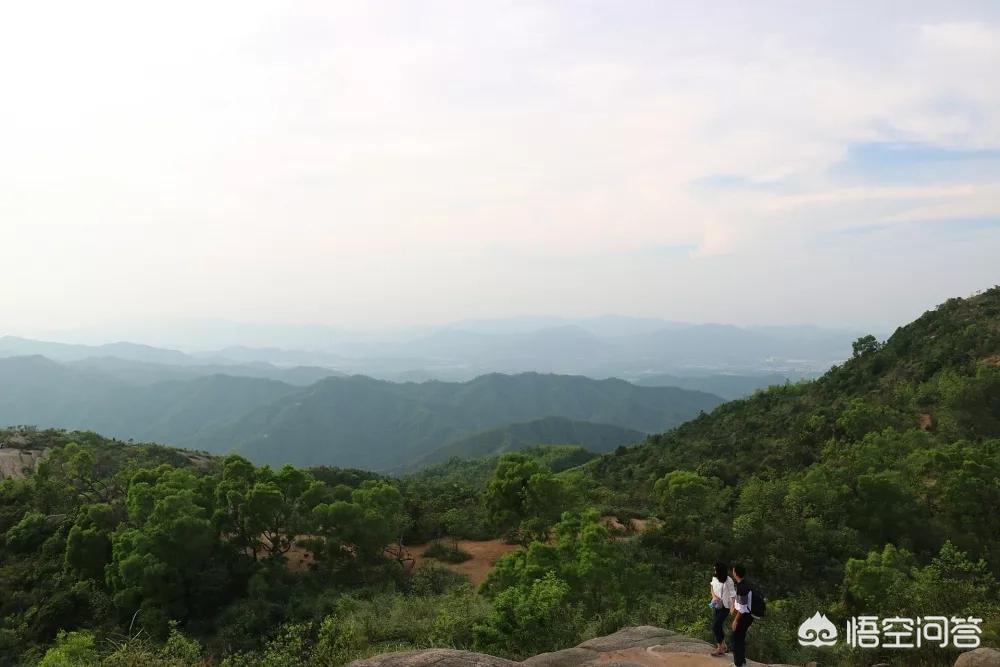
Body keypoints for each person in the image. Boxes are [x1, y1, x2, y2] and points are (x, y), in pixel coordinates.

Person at [730, 564, 754, 667]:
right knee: (740, 638)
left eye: (733, 571)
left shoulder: (742, 587)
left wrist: (735, 620)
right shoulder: (746, 583)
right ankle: (742, 661)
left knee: (736, 640)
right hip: (749, 615)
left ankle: (738, 664)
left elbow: (742, 608)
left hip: (744, 617)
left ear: (735, 573)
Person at [710, 561, 735, 657]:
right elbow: (711, 587)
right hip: (717, 604)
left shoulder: (729, 581)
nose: (714, 570)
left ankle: (719, 648)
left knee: (715, 626)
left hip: (726, 606)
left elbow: (733, 595)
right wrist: (714, 596)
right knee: (718, 626)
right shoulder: (715, 578)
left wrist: (732, 607)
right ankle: (723, 645)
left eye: (716, 569)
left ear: (720, 570)